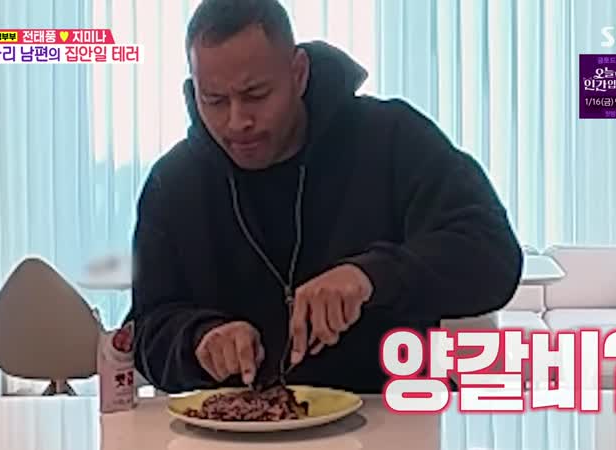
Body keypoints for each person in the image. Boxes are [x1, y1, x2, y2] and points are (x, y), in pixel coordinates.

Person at [125, 0, 524, 395]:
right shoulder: (173, 183)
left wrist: (371, 276)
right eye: (214, 101)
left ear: (298, 73)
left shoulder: (391, 139)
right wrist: (198, 338)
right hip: (238, 421)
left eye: (256, 94)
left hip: (390, 411)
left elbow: (493, 257)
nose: (237, 121)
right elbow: (146, 329)